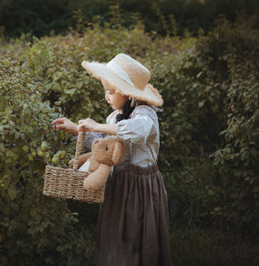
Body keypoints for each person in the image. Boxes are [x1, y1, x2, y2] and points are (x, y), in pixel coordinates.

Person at [51, 53, 172, 266]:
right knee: (116, 230)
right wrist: (75, 129)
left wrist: (96, 125)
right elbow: (103, 145)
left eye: (110, 91)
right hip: (119, 183)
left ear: (127, 93)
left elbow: (137, 132)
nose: (106, 96)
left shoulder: (145, 115)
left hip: (140, 186)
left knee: (137, 231)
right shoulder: (115, 116)